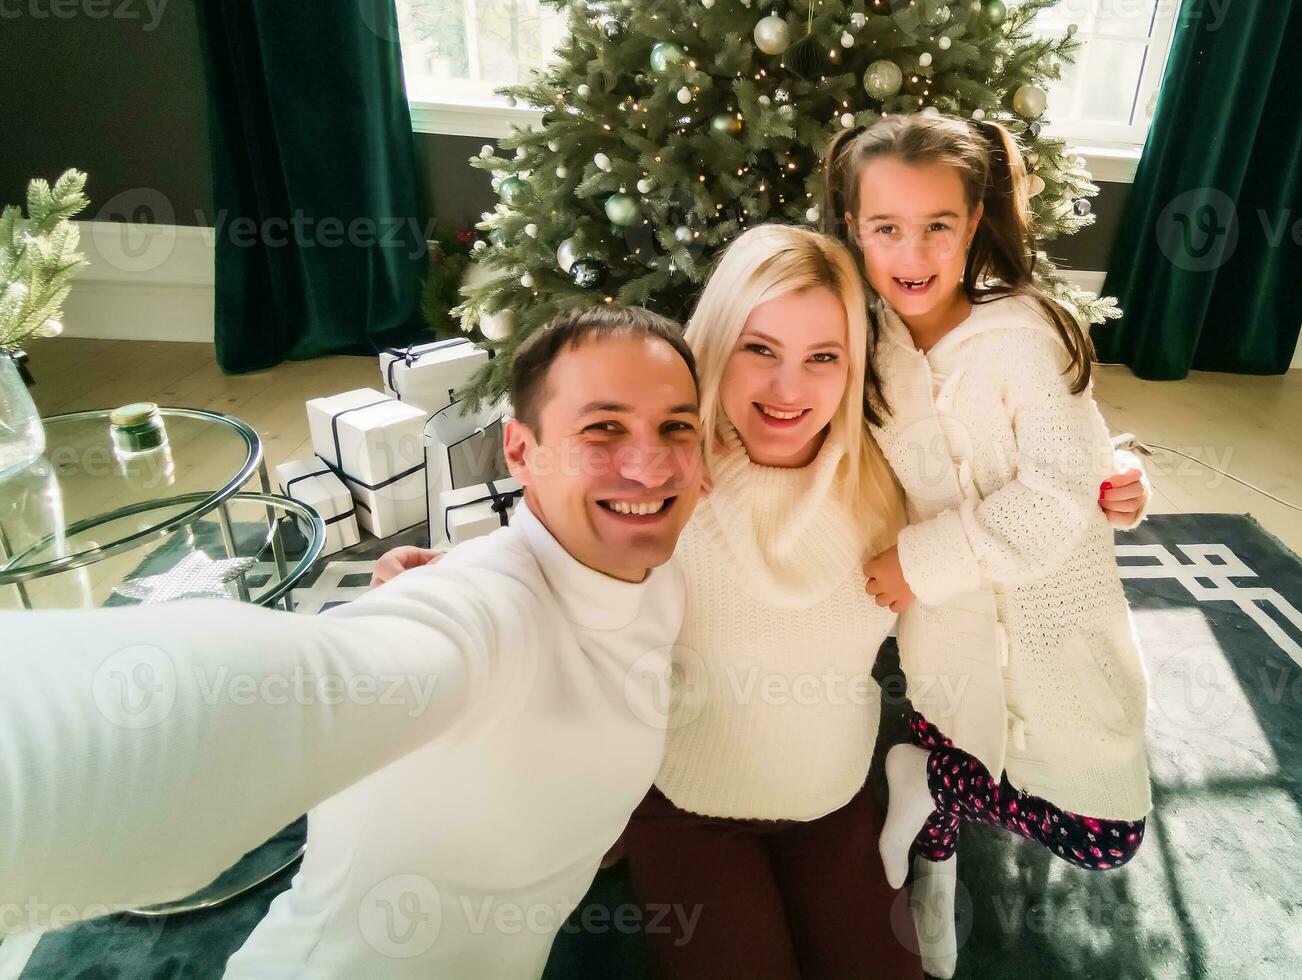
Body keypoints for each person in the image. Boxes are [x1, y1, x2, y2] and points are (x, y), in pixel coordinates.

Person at [374, 226, 1148, 980]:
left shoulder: (892, 473)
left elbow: (1001, 466)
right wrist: (449, 574)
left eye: (823, 358)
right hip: (687, 803)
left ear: (855, 368)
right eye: (760, 350)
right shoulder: (671, 475)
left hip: (831, 796)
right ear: (716, 347)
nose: (788, 390)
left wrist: (1109, 476)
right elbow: (553, 552)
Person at [0, 306, 705, 978]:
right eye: (603, 428)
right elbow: (284, 692)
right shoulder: (482, 613)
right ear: (520, 451)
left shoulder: (657, 574)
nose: (650, 465)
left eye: (676, 427)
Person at [828, 114, 1152, 978]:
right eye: (886, 227)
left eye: (937, 224)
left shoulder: (1023, 334)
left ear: (973, 223)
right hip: (951, 636)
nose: (913, 251)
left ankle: (927, 782)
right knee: (957, 744)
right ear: (854, 230)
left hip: (1060, 628)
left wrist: (1113, 473)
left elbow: (1056, 478)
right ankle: (932, 871)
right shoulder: (868, 354)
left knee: (1104, 834)